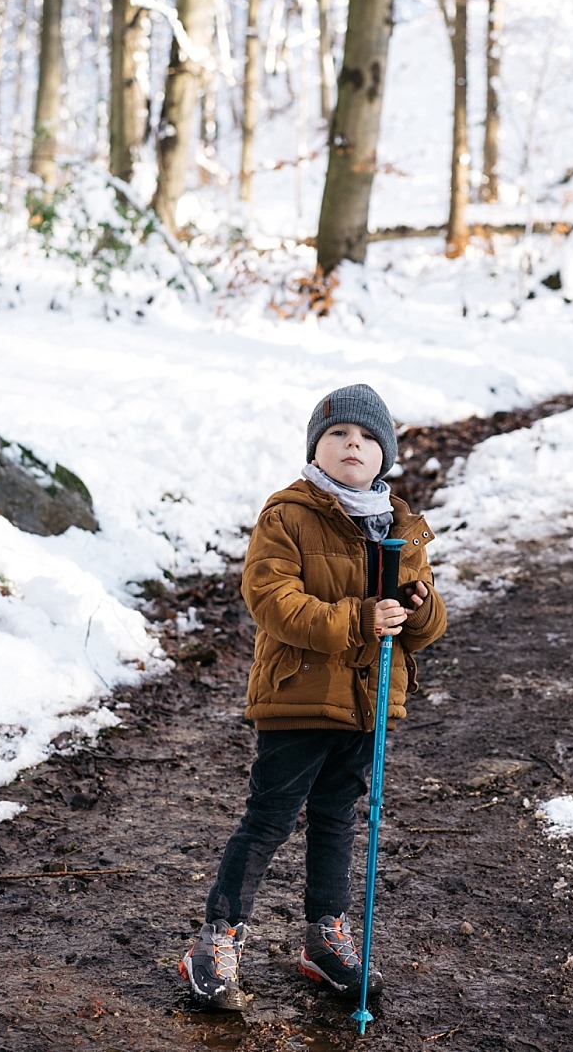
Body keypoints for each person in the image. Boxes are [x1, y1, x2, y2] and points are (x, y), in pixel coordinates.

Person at [179, 383, 448, 1010]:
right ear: (315, 449)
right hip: (298, 697)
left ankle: (325, 936)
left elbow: (426, 631)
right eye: (337, 435)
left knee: (337, 818)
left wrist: (418, 608)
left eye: (366, 438)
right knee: (271, 815)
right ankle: (214, 942)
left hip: (368, 699)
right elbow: (273, 602)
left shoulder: (401, 527)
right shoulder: (288, 515)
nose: (352, 444)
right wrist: (359, 618)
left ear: (384, 456)